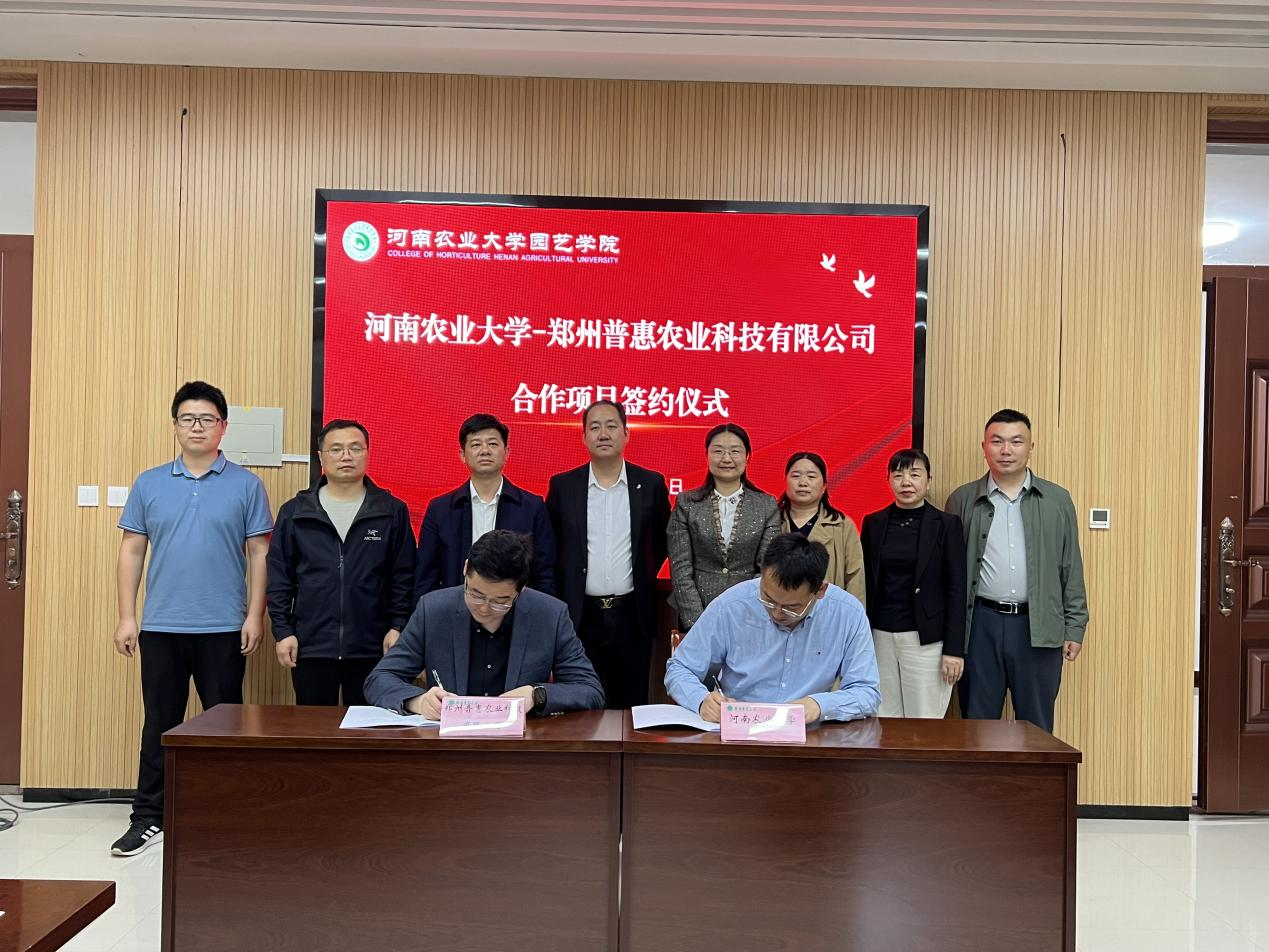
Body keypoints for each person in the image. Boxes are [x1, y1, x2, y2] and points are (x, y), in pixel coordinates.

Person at [110, 381, 273, 856]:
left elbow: (260, 554)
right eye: (188, 418)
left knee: (225, 726)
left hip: (224, 626)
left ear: (223, 427)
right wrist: (127, 617)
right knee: (160, 723)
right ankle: (148, 816)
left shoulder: (246, 485)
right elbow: (132, 550)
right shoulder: (149, 483)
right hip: (162, 625)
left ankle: (222, 814)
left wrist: (255, 615)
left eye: (206, 419)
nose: (197, 427)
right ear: (175, 425)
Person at [945, 409, 1088, 734]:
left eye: (1016, 442)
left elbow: (1070, 566)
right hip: (979, 626)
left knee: (1036, 728)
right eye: (997, 441)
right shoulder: (962, 499)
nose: (1006, 450)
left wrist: (1075, 627)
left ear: (1031, 447)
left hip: (1038, 626)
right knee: (977, 725)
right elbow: (950, 576)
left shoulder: (1057, 500)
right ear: (984, 447)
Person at [364, 530, 604, 716]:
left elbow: (590, 690)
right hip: (450, 745)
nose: (484, 608)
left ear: (520, 590)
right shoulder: (433, 610)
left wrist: (536, 695)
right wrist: (418, 701)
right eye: (476, 595)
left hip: (521, 748)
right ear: (466, 569)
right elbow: (379, 679)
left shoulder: (550, 615)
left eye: (501, 601)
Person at [267, 419, 416, 705]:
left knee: (368, 727)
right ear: (321, 457)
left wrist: (398, 626)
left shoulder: (391, 511)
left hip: (374, 645)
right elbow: (280, 577)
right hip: (311, 645)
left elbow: (404, 575)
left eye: (355, 448)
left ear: (367, 453)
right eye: (336, 449)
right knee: (312, 727)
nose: (346, 456)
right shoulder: (296, 512)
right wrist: (283, 631)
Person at [665, 532, 880, 722]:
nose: (777, 613)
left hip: (811, 734)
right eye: (767, 599)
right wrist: (701, 701)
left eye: (791, 608)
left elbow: (867, 691)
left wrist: (818, 706)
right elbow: (680, 668)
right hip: (740, 727)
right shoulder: (732, 605)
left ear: (820, 591)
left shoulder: (847, 613)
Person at [546, 400, 670, 709]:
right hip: (578, 614)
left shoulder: (651, 484)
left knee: (631, 706)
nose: (603, 434)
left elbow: (660, 542)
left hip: (632, 613)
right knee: (579, 704)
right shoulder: (563, 486)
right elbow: (551, 547)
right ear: (584, 436)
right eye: (595, 427)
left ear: (627, 434)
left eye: (612, 426)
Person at [861, 449, 967, 718]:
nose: (906, 482)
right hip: (880, 636)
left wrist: (954, 650)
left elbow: (956, 590)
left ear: (928, 481)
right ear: (888, 480)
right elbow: (867, 584)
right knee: (883, 718)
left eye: (915, 474)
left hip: (926, 640)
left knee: (924, 721)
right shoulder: (873, 523)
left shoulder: (947, 524)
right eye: (898, 475)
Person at [415, 413, 555, 598]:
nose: (485, 451)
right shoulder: (440, 509)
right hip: (456, 608)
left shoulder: (532, 507)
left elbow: (545, 573)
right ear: (463, 455)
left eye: (493, 444)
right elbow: (425, 576)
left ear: (506, 452)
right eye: (476, 445)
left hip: (515, 608)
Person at [667, 423, 781, 630]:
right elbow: (680, 568)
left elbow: (766, 568)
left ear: (748, 456)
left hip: (749, 617)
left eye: (735, 451)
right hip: (696, 615)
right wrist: (699, 623)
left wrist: (745, 615)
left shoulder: (766, 505)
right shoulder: (686, 503)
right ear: (707, 455)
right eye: (718, 451)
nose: (726, 459)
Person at [778, 451, 866, 604]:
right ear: (786, 481)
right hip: (779, 610)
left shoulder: (842, 525)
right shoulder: (771, 521)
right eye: (796, 476)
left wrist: (853, 615)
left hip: (828, 611)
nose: (803, 482)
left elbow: (855, 577)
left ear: (824, 486)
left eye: (811, 476)